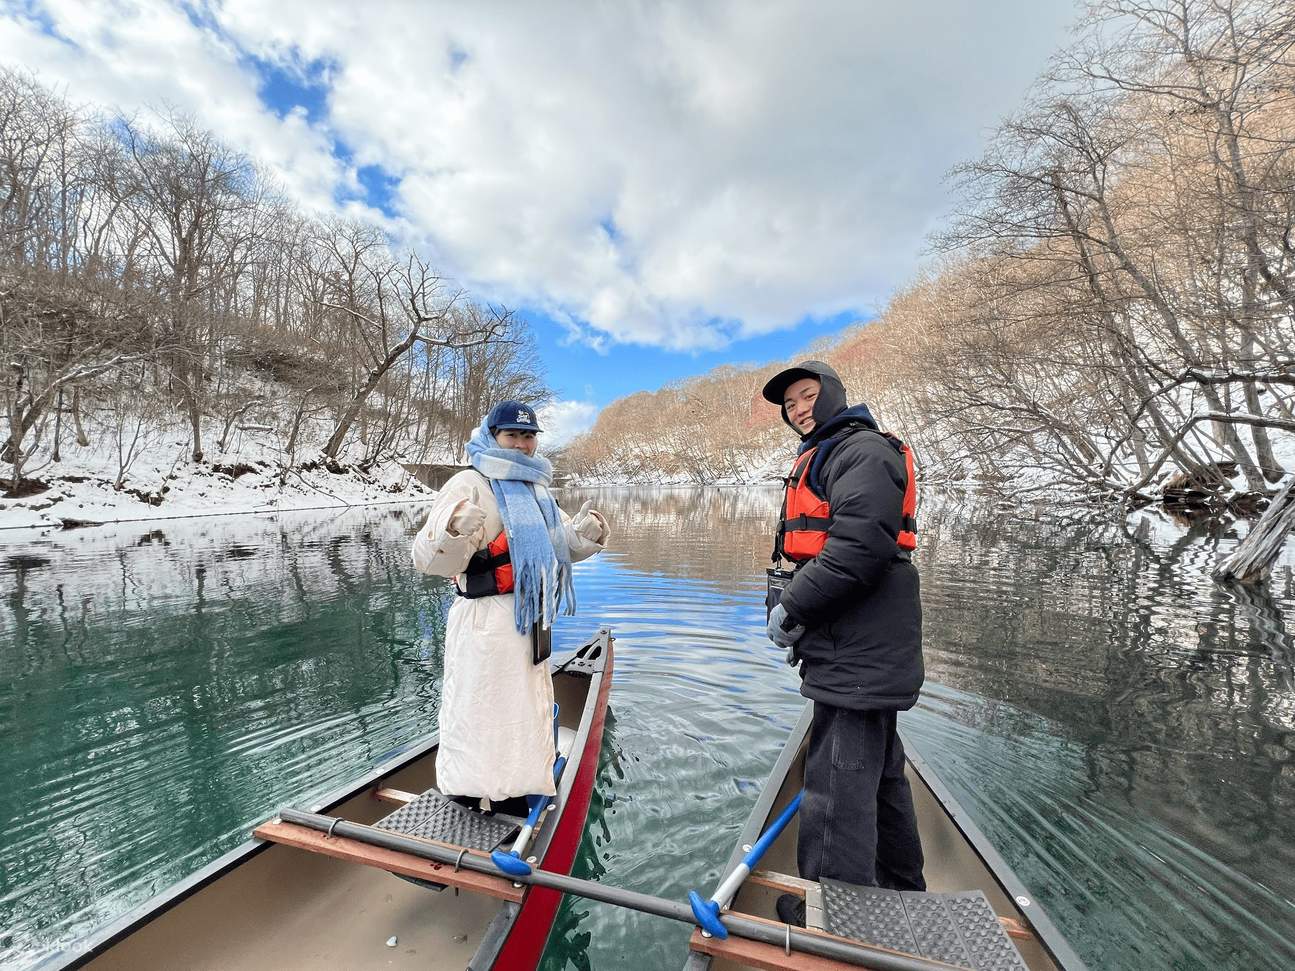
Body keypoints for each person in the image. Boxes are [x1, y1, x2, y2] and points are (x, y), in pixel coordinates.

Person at [760, 360, 925, 926]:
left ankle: (835, 916)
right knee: (880, 776)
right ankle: (901, 890)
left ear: (833, 395)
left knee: (836, 785)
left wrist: (793, 607)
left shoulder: (860, 451)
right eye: (790, 405)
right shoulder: (834, 452)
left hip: (860, 651)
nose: (799, 408)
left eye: (808, 396)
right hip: (858, 646)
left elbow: (860, 546)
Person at [411, 400, 609, 810]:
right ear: (492, 435)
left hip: (529, 618)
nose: (521, 444)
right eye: (512, 435)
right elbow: (428, 560)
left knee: (521, 715)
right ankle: (464, 795)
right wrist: (450, 531)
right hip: (483, 622)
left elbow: (561, 548)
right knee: (477, 709)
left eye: (528, 435)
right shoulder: (468, 485)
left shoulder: (536, 488)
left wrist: (586, 535)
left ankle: (515, 797)